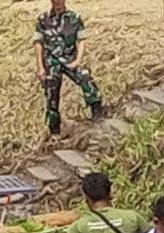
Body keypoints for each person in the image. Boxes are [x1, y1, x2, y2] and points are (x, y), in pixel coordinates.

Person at [33, 0, 104, 136]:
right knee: (51, 94)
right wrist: (40, 67)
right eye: (55, 0)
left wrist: (78, 60)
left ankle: (97, 109)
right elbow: (38, 43)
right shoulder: (43, 19)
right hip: (51, 61)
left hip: (69, 58)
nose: (58, 2)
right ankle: (54, 129)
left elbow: (82, 39)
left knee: (85, 77)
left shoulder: (74, 17)